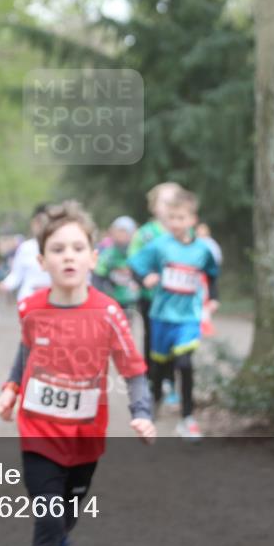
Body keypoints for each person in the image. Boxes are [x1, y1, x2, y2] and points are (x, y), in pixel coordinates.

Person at [0, 201, 156, 546]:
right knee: (47, 516)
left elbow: (133, 370)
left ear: (93, 258)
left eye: (78, 248)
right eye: (58, 249)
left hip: (85, 438)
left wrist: (142, 413)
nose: (69, 256)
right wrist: (12, 388)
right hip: (38, 431)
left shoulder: (109, 313)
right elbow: (27, 350)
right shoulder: (31, 308)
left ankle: (57, 543)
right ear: (41, 259)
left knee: (64, 518)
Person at [129, 188, 219, 441]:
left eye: (181, 218)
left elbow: (212, 274)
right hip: (161, 316)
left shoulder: (203, 250)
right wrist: (145, 277)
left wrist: (213, 298)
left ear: (193, 219)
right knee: (158, 368)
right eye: (171, 218)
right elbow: (135, 264)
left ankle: (187, 418)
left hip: (188, 317)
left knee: (185, 364)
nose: (176, 223)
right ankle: (153, 404)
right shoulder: (159, 245)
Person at [128, 183, 183, 402]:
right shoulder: (145, 234)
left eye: (174, 201)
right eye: (164, 201)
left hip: (178, 299)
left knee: (177, 341)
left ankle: (170, 382)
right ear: (153, 206)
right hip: (152, 298)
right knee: (153, 338)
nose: (170, 207)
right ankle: (152, 381)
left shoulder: (183, 231)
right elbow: (134, 261)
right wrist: (144, 278)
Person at [0, 203, 53, 302]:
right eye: (38, 222)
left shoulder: (60, 247)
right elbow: (16, 274)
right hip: (29, 300)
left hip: (55, 302)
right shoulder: (26, 247)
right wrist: (6, 284)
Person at [91, 215, 140, 314]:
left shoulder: (136, 253)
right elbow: (98, 275)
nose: (121, 235)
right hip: (113, 298)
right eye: (119, 231)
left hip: (131, 299)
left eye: (124, 232)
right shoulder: (108, 254)